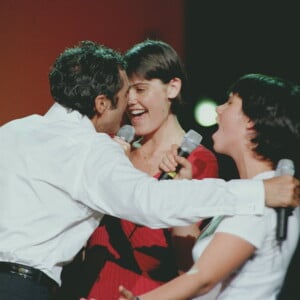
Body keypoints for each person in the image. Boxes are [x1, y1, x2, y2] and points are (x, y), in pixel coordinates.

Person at [0, 39, 298, 300]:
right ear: (102, 103)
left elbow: (197, 272)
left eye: (138, 90)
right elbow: (150, 201)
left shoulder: (14, 130)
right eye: (124, 95)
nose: (128, 106)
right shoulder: (92, 149)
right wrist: (258, 191)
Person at [118, 73, 300, 300]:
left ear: (251, 121)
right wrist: (181, 191)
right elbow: (191, 267)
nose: (218, 109)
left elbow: (203, 278)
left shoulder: (266, 198)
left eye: (230, 102)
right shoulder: (249, 194)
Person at [82, 39, 219, 300]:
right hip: (89, 290)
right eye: (126, 91)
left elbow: (188, 260)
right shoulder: (113, 149)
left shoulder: (198, 161)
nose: (130, 101)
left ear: (173, 87)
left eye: (141, 89)